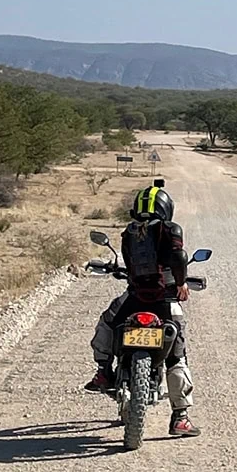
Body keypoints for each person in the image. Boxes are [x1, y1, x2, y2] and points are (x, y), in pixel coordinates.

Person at [85, 184, 201, 437]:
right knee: (177, 355)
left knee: (108, 322)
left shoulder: (129, 232)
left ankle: (103, 373)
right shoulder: (171, 229)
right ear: (166, 207)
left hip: (136, 297)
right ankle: (180, 417)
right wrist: (180, 283)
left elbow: (128, 265)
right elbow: (179, 258)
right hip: (166, 301)